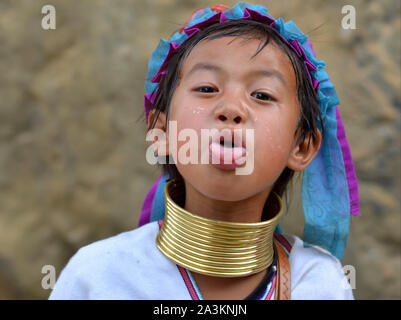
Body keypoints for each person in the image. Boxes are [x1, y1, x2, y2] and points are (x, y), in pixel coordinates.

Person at [49, 2, 360, 300]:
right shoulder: (97, 276)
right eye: (207, 88)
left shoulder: (319, 283)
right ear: (161, 132)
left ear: (301, 146)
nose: (231, 109)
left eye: (262, 95)